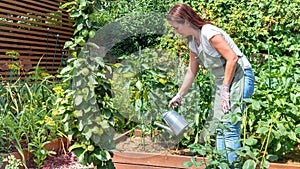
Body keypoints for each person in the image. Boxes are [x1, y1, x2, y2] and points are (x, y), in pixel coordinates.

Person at [167, 3, 255, 163]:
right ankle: (223, 166)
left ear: (186, 22)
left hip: (239, 78)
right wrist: (179, 94)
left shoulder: (209, 33)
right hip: (224, 84)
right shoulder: (192, 41)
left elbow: (232, 58)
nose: (175, 32)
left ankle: (232, 166)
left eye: (176, 28)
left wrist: (226, 90)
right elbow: (192, 71)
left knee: (229, 126)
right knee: (220, 128)